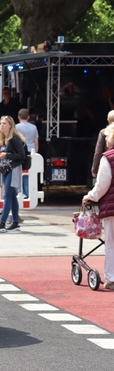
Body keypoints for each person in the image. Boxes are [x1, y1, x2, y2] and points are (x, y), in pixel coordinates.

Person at [83, 122, 114, 291]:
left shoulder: (108, 157)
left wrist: (90, 196)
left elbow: (102, 185)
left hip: (112, 208)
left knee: (111, 243)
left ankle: (112, 279)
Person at [0, 116, 26, 233]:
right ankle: (15, 222)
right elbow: (3, 154)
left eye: (4, 123)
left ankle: (2, 222)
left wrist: (6, 155)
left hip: (14, 168)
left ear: (10, 125)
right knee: (11, 196)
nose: (2, 125)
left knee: (7, 194)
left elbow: (22, 156)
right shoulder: (3, 139)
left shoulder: (14, 139)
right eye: (1, 123)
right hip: (5, 168)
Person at [16, 108, 39, 199]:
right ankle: (29, 193)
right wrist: (35, 152)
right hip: (31, 152)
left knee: (20, 173)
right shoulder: (34, 127)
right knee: (30, 174)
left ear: (18, 117)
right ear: (29, 117)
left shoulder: (16, 127)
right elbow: (36, 142)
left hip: (21, 152)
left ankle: (22, 193)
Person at [91, 110, 114, 178]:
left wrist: (94, 169)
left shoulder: (103, 132)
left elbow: (98, 152)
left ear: (108, 120)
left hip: (108, 164)